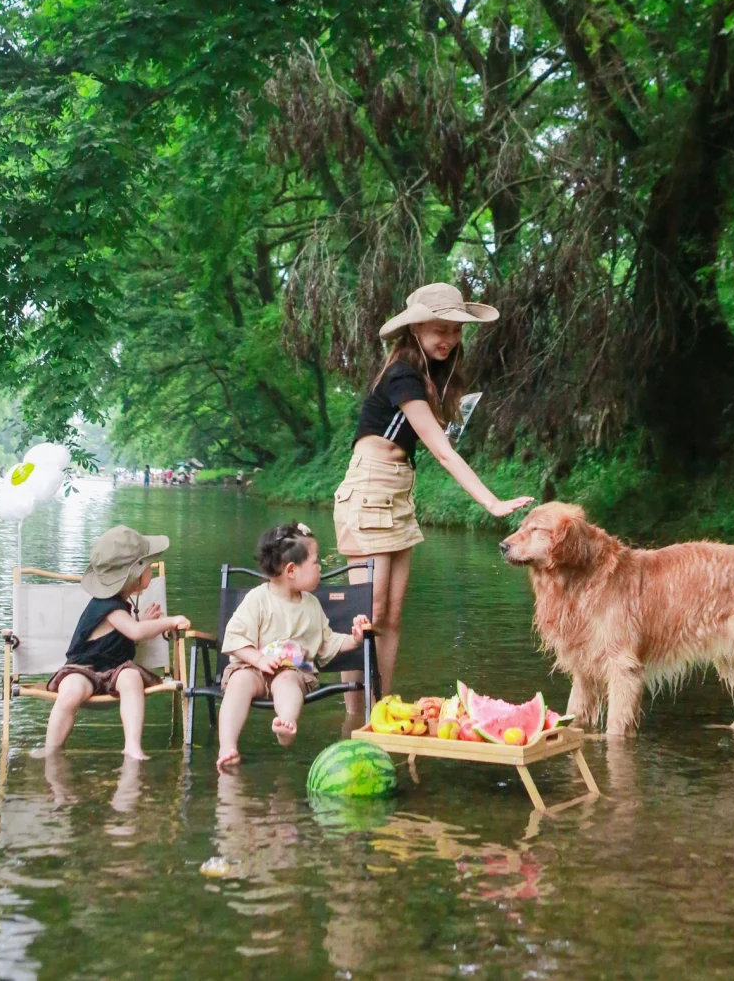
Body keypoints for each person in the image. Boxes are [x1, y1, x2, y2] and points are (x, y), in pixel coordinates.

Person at [334, 282, 534, 698]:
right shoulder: (402, 373)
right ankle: (353, 714)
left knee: (391, 617)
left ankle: (381, 706)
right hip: (369, 487)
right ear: (417, 328)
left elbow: (440, 437)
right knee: (366, 615)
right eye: (440, 329)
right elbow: (442, 453)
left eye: (456, 330)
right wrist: (491, 501)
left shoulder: (430, 377)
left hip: (398, 492)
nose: (449, 339)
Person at [216, 522, 370, 772]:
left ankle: (285, 725)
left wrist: (354, 638)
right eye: (315, 562)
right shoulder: (257, 598)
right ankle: (228, 746)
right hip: (252, 668)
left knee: (288, 682)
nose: (320, 567)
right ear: (291, 570)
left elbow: (328, 643)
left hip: (292, 671)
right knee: (238, 683)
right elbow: (234, 638)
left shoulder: (311, 605)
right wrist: (258, 659)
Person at [44, 524, 190, 760]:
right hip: (83, 670)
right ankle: (51, 750)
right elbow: (134, 632)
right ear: (135, 575)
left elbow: (123, 634)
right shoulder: (107, 605)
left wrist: (142, 622)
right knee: (70, 691)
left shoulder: (120, 606)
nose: (150, 571)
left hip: (116, 670)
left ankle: (132, 745)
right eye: (148, 567)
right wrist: (170, 621)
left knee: (131, 678)